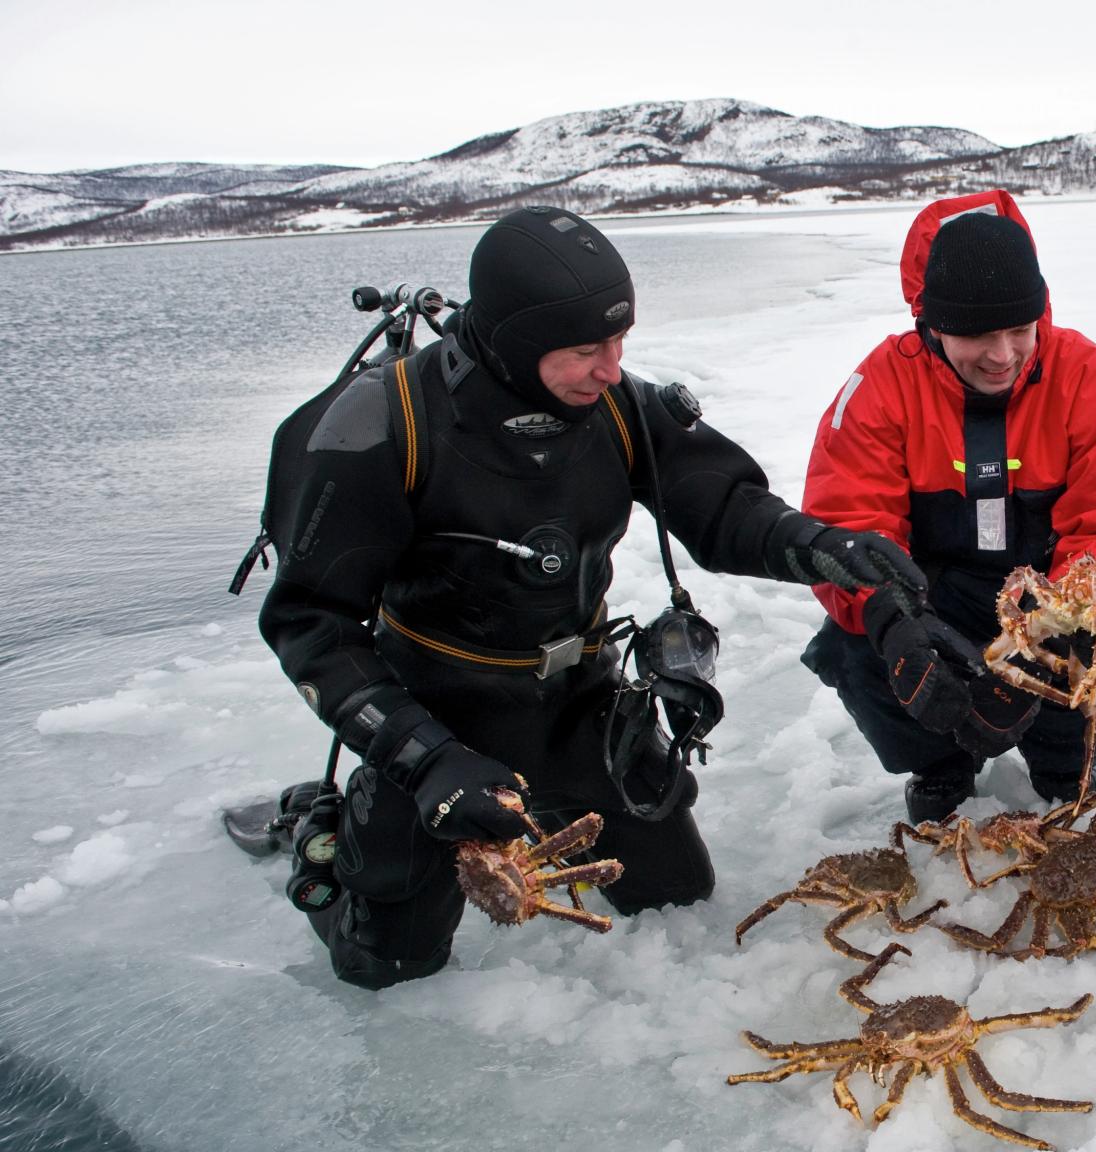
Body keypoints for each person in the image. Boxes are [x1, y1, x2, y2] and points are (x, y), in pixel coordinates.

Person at [253, 206, 940, 989]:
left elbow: (717, 506)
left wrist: (819, 544)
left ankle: (542, 806)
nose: (612, 369)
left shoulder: (616, 408)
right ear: (514, 340)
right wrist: (425, 758)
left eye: (619, 343)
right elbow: (311, 625)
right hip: (436, 710)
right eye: (586, 350)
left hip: (575, 698)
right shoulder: (381, 431)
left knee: (678, 896)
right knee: (386, 967)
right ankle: (326, 830)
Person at [798, 190, 1096, 823]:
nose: (1002, 356)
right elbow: (848, 525)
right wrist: (895, 619)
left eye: (1019, 330)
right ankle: (940, 762)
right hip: (938, 598)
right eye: (976, 335)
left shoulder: (1090, 380)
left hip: (1051, 597)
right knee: (852, 643)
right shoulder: (880, 387)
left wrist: (1067, 610)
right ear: (934, 324)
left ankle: (1062, 758)